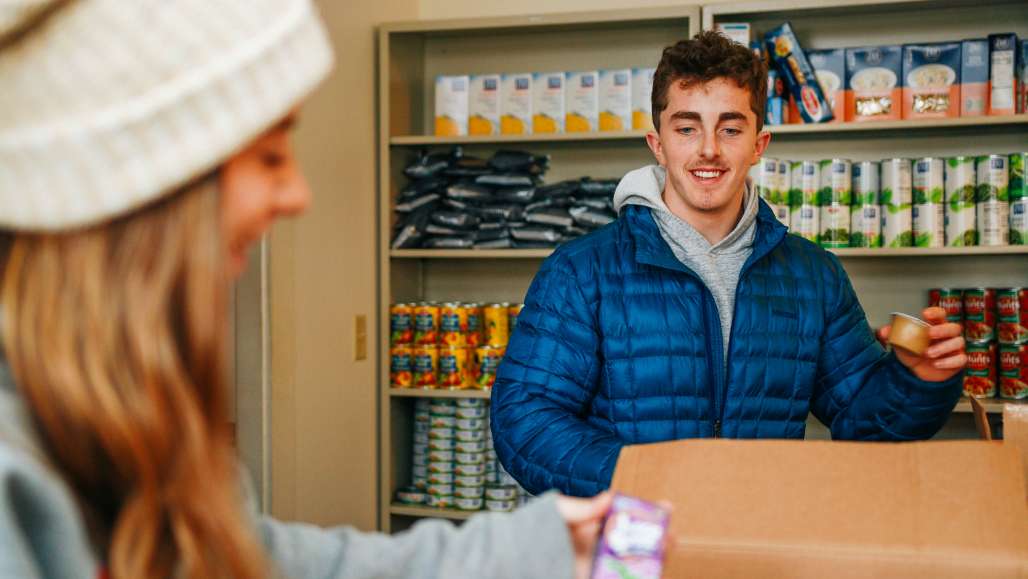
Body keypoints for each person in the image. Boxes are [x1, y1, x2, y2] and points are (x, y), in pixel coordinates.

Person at [0, 1, 611, 578]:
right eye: (268, 156)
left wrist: (532, 549)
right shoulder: (16, 477)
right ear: (139, 180)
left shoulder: (126, 418)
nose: (298, 194)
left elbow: (262, 560)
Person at [490, 31, 967, 497]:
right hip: (628, 547)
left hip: (755, 538)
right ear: (658, 144)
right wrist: (652, 479)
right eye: (686, 127)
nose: (709, 150)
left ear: (759, 144)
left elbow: (867, 428)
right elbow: (527, 423)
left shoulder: (813, 275)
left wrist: (916, 380)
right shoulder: (581, 271)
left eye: (731, 128)